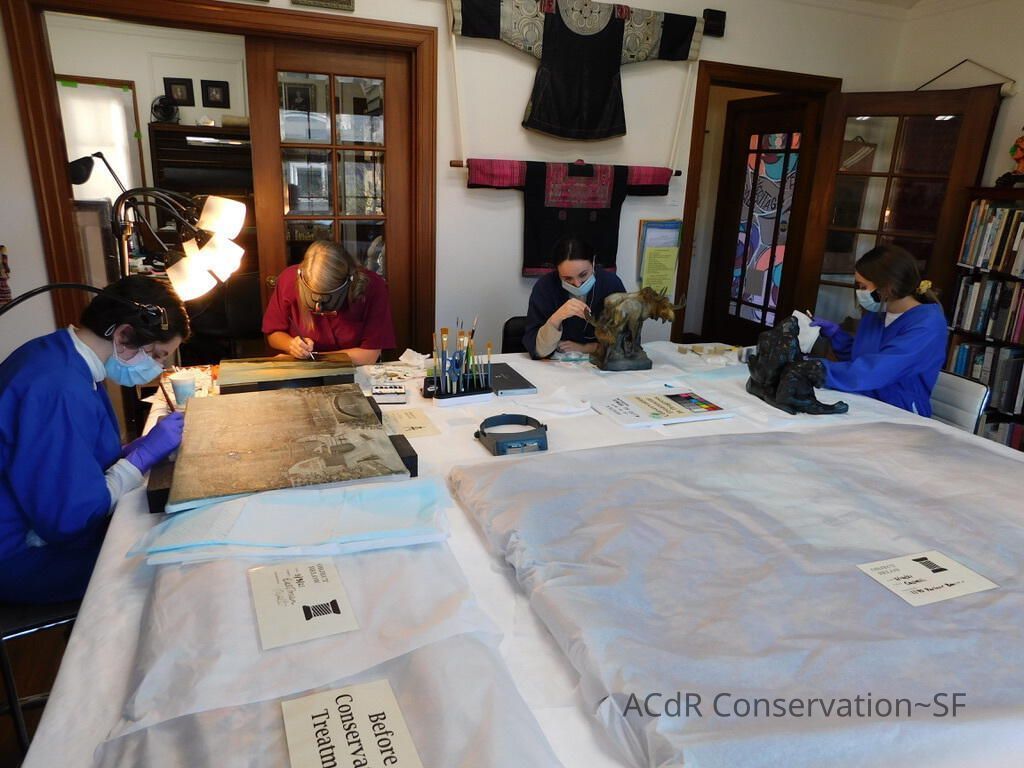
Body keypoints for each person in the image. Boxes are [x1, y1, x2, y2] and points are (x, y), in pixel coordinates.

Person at [0, 276, 190, 603]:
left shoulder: (61, 355)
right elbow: (70, 518)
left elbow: (71, 457)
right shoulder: (58, 388)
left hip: (41, 519)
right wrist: (140, 459)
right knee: (167, 567)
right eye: (158, 355)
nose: (158, 367)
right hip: (20, 554)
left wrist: (134, 450)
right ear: (124, 335)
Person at [807, 244, 948, 416]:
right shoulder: (876, 314)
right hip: (864, 399)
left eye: (863, 287)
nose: (859, 293)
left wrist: (817, 369)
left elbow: (875, 371)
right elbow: (862, 358)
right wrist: (836, 335)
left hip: (900, 412)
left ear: (887, 287)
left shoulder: (927, 325)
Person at [263, 240, 395, 365]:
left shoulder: (373, 287)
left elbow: (369, 356)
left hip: (355, 369)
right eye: (314, 296)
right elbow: (273, 333)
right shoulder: (288, 280)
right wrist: (291, 345)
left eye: (326, 297)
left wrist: (314, 359)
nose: (318, 307)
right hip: (302, 370)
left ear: (347, 282)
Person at [523, 237, 626, 359]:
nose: (577, 284)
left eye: (583, 275)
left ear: (593, 262)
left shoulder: (611, 284)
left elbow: (625, 341)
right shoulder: (545, 287)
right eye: (567, 278)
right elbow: (539, 350)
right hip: (557, 364)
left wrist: (587, 348)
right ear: (557, 271)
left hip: (601, 361)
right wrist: (557, 317)